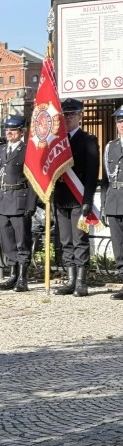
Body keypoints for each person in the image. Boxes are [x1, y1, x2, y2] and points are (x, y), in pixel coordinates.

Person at [53, 98, 100, 297]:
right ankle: (70, 279)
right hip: (61, 198)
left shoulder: (88, 139)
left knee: (80, 239)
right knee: (65, 240)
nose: (69, 118)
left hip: (78, 197)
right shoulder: (56, 141)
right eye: (66, 114)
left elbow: (91, 173)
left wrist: (88, 199)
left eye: (73, 114)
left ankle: (81, 281)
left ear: (80, 116)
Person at [0, 116, 37, 292]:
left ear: (21, 132)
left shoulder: (28, 151)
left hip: (20, 199)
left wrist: (31, 205)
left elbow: (32, 180)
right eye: (7, 130)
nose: (9, 133)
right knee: (7, 242)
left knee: (22, 241)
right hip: (2, 199)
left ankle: (23, 278)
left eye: (13, 130)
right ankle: (12, 275)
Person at [101, 105, 123, 300]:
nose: (121, 124)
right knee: (118, 246)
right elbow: (106, 180)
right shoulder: (111, 147)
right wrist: (104, 203)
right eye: (119, 121)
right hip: (115, 201)